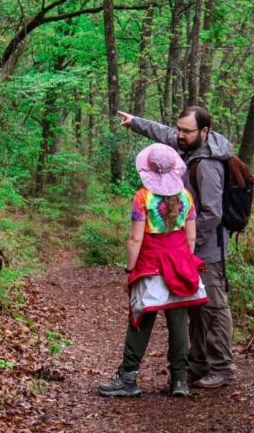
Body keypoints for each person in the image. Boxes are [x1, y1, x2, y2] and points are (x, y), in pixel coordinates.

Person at [117, 106, 237, 389]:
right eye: (179, 129)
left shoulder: (207, 165)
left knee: (213, 308)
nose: (179, 135)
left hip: (207, 249)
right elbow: (165, 133)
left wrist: (181, 247)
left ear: (203, 131)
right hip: (185, 250)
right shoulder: (191, 145)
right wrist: (135, 122)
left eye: (186, 131)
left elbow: (212, 214)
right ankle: (195, 366)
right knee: (192, 306)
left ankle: (222, 367)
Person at [99, 143, 208, 398]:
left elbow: (135, 239)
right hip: (180, 261)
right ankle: (179, 380)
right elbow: (191, 238)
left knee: (141, 317)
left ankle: (128, 377)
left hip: (151, 263)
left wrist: (129, 269)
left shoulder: (143, 197)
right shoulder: (186, 197)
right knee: (179, 322)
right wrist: (185, 262)